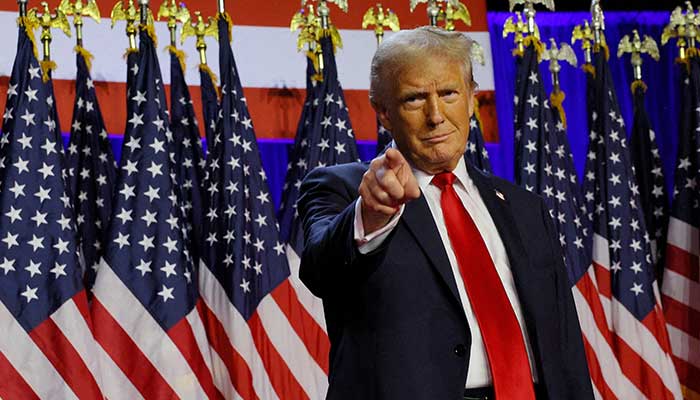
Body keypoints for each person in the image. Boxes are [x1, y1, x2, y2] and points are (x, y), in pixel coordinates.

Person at [298, 26, 593, 400]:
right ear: (384, 112)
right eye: (415, 99)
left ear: (471, 98)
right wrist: (372, 215)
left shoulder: (524, 208)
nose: (436, 115)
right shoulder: (344, 189)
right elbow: (320, 271)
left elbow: (563, 342)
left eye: (449, 93)